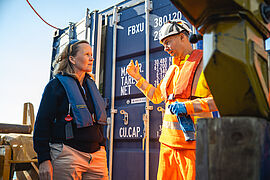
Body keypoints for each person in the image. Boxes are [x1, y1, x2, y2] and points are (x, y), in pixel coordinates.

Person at [127, 20, 219, 180]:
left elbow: (220, 100)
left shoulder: (206, 63)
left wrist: (189, 106)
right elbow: (156, 96)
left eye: (168, 42)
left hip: (194, 147)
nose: (165, 48)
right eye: (163, 44)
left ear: (183, 37)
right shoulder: (172, 69)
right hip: (168, 145)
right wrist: (138, 78)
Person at [33, 39, 108, 180]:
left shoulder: (92, 87)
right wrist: (43, 159)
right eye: (87, 54)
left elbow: (98, 122)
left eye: (92, 54)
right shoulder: (55, 86)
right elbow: (42, 124)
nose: (92, 58)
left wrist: (102, 146)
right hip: (67, 155)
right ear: (72, 59)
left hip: (96, 157)